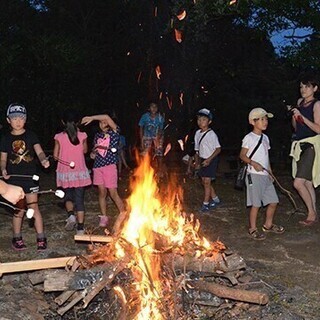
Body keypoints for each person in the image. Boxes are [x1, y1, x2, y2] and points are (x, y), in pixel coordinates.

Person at [0, 103, 50, 250]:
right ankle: (17, 238)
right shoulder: (5, 138)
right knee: (19, 210)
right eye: (14, 118)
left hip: (30, 177)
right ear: (8, 120)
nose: (18, 121)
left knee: (33, 207)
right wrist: (3, 169)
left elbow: (39, 151)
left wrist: (43, 160)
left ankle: (41, 238)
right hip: (13, 180)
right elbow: (3, 159)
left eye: (21, 118)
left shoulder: (31, 135)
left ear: (25, 119)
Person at [240, 107, 284, 240]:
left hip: (265, 175)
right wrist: (253, 163)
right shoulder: (249, 138)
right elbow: (242, 155)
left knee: (273, 201)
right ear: (253, 122)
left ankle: (268, 225)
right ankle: (253, 229)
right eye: (262, 119)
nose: (265, 122)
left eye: (266, 119)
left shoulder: (265, 138)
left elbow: (266, 156)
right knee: (256, 204)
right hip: (254, 175)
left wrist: (270, 171)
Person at [81, 113, 126, 232]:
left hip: (109, 167)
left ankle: (123, 212)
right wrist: (93, 154)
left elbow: (106, 116)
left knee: (112, 192)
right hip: (98, 167)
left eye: (105, 122)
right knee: (102, 192)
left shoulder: (114, 133)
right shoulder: (97, 136)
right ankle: (104, 217)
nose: (102, 123)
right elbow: (94, 153)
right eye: (100, 122)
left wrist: (91, 117)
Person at [53, 109, 92, 234]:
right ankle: (80, 228)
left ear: (62, 121)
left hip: (65, 172)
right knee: (79, 199)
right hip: (79, 172)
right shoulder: (83, 135)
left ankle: (71, 216)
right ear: (78, 122)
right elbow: (85, 151)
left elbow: (55, 156)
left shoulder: (58, 137)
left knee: (68, 196)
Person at [289, 75, 320, 226]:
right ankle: (313, 211)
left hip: (311, 145)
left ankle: (311, 214)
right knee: (307, 182)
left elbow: (318, 129)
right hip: (299, 144)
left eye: (307, 86)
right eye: (301, 87)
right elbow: (296, 128)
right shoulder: (300, 103)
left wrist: (303, 117)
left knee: (298, 183)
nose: (303, 90)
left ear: (314, 88)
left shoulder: (317, 104)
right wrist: (295, 117)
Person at [194, 108, 221, 213]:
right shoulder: (197, 133)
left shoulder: (211, 134)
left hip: (211, 159)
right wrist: (197, 162)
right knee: (204, 181)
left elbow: (218, 149)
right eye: (199, 119)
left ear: (209, 122)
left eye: (204, 119)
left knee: (206, 182)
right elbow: (197, 150)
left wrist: (209, 159)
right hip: (202, 159)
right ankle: (215, 199)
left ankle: (205, 204)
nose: (201, 122)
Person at [138, 102, 165, 176]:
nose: (154, 108)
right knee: (145, 152)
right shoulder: (144, 116)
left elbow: (160, 129)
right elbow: (141, 128)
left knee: (159, 152)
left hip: (157, 135)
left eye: (155, 106)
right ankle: (145, 169)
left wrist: (158, 139)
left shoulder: (160, 118)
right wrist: (141, 140)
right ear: (149, 108)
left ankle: (160, 170)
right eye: (152, 107)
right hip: (147, 135)